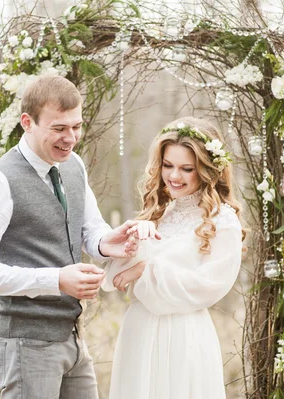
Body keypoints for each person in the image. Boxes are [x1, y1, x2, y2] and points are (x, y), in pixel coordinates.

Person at [0, 75, 139, 399]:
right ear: (27, 122)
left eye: (76, 126)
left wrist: (105, 242)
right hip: (25, 344)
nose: (70, 138)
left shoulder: (74, 166)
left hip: (73, 338)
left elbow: (89, 228)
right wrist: (55, 280)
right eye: (59, 129)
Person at [102, 117, 245, 399]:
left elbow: (207, 287)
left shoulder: (222, 220)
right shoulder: (160, 212)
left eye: (186, 168)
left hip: (183, 337)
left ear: (207, 169)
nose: (174, 176)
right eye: (168, 165)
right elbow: (114, 279)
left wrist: (145, 269)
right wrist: (132, 242)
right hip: (139, 332)